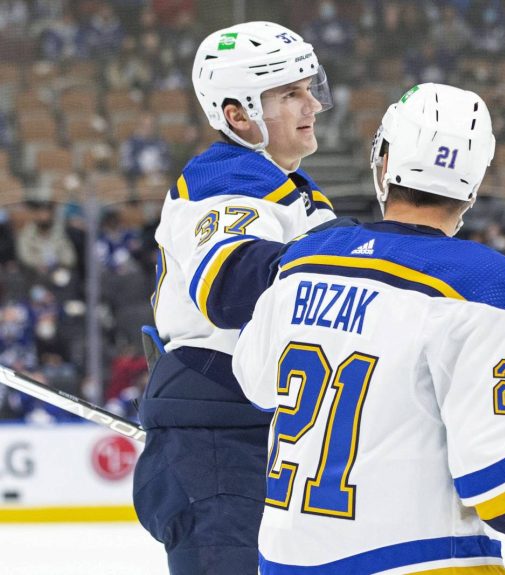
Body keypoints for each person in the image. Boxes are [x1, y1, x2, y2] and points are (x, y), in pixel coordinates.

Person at [232, 83, 505, 574]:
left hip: (281, 562)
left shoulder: (304, 260)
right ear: (472, 184)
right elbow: (502, 488)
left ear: (385, 161)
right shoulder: (491, 287)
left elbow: (257, 385)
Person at [132, 21, 336, 575]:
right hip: (218, 440)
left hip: (249, 430)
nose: (313, 105)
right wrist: (346, 255)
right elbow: (232, 285)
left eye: (310, 88)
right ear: (238, 115)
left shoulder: (293, 190)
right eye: (289, 95)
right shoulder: (224, 177)